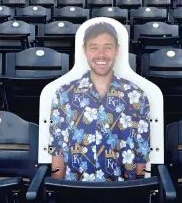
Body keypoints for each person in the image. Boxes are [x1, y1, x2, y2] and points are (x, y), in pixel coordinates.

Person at [48, 22, 151, 181]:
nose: (101, 54)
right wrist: (55, 194)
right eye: (94, 47)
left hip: (123, 194)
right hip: (75, 192)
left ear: (117, 50)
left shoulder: (136, 95)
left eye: (108, 47)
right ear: (84, 50)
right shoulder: (63, 95)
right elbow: (57, 153)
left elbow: (141, 158)